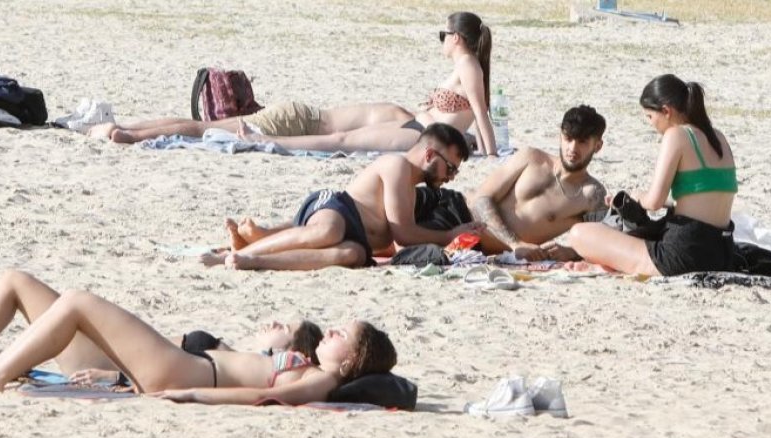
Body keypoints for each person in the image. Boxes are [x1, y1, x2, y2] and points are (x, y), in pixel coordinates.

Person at [0, 277, 398, 405]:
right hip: (173, 362)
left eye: (340, 335)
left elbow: (264, 397)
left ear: (352, 360)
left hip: (183, 371)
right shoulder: (310, 366)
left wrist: (192, 394)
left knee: (76, 300)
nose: (329, 332)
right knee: (18, 282)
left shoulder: (317, 381)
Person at [0, 270, 325, 383]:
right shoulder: (222, 349)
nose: (273, 323)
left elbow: (155, 370)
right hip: (94, 343)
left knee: (70, 299)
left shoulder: (249, 363)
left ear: (291, 350)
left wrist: (113, 376)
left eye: (284, 327)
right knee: (15, 280)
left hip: (95, 358)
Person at [200, 123, 481, 271]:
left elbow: (391, 243)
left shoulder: (410, 187)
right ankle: (237, 254)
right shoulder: (397, 166)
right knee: (329, 231)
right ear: (430, 155)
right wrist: (449, 235)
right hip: (335, 206)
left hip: (354, 236)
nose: (451, 176)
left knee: (353, 255)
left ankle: (256, 257)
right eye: (451, 167)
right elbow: (404, 234)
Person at [245, 12, 496, 155]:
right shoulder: (465, 66)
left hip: (425, 136)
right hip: (418, 126)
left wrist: (491, 154)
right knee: (342, 137)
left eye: (444, 35)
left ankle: (265, 141)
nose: (441, 40)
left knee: (342, 141)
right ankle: (267, 139)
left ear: (457, 39)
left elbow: (481, 113)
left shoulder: (468, 66)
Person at [566, 75, 738, 275]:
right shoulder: (718, 137)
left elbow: (654, 201)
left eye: (650, 117)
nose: (651, 124)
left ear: (666, 111)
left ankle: (614, 266)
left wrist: (638, 196)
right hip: (723, 251)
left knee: (579, 234)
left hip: (686, 252)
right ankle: (611, 265)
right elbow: (703, 196)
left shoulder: (676, 135)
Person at [467, 105, 608, 260]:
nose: (572, 148)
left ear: (597, 146)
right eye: (568, 139)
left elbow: (602, 244)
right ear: (560, 137)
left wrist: (570, 252)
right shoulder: (531, 158)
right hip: (458, 217)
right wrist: (515, 244)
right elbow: (480, 200)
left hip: (479, 252)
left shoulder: (592, 195)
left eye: (582, 142)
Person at [90, 101, 414, 145]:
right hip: (297, 123)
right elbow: (342, 140)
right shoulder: (405, 124)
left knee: (201, 124)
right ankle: (129, 135)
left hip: (300, 115)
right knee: (202, 130)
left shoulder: (397, 110)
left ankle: (129, 127)